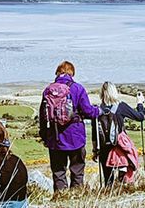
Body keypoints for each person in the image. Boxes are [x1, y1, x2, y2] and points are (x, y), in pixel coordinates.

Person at [39, 61, 101, 192]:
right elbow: (88, 111)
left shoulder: (48, 90)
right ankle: (76, 197)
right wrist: (99, 111)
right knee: (77, 170)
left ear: (57, 73)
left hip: (55, 138)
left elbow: (43, 117)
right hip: (75, 136)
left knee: (58, 172)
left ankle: (60, 198)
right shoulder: (78, 88)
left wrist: (45, 137)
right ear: (72, 73)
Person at [91, 82, 145, 186]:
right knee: (124, 178)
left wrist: (95, 151)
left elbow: (95, 134)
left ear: (102, 94)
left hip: (104, 149)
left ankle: (108, 196)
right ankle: (123, 192)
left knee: (108, 180)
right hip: (120, 147)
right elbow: (140, 117)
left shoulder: (97, 110)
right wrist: (140, 104)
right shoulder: (121, 107)